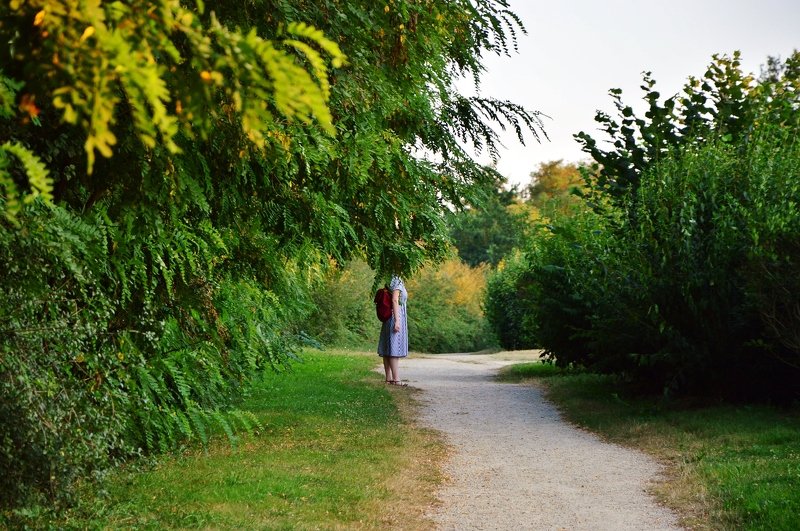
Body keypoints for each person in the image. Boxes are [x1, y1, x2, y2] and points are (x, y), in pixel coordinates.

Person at [377, 275, 409, 386]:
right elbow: (395, 300)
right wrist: (397, 321)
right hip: (395, 316)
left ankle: (388, 378)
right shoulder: (397, 279)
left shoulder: (389, 278)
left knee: (387, 347)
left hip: (388, 318)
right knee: (394, 347)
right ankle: (396, 378)